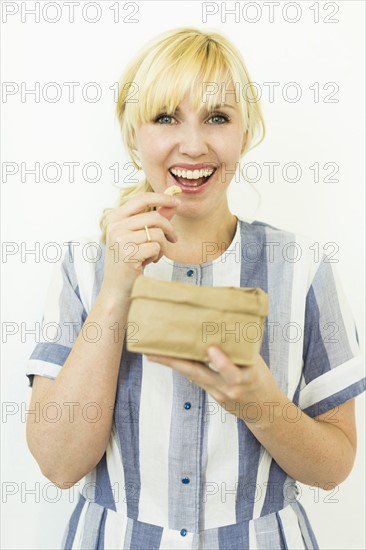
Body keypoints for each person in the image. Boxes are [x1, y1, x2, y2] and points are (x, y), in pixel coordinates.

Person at [26, 27, 365, 550]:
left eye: (217, 117)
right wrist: (116, 289)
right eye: (166, 117)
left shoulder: (303, 267)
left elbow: (334, 468)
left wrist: (259, 401)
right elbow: (59, 464)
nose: (193, 144)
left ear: (245, 132)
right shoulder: (81, 267)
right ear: (132, 132)